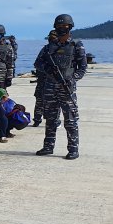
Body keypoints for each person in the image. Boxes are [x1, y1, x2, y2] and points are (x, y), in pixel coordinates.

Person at [34, 14, 87, 160]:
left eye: (65, 27)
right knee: (51, 119)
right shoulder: (49, 47)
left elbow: (82, 68)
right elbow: (37, 63)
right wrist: (48, 69)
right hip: (50, 87)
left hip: (67, 88)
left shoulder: (76, 45)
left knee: (70, 120)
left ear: (70, 27)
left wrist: (72, 79)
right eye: (59, 27)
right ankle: (48, 146)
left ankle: (73, 149)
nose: (62, 29)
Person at [32, 29, 59, 126]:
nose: (51, 40)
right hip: (44, 79)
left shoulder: (61, 49)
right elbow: (37, 63)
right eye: (51, 38)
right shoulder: (45, 49)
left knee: (54, 102)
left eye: (54, 38)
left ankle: (53, 120)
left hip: (54, 80)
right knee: (40, 100)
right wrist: (47, 69)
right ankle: (37, 119)